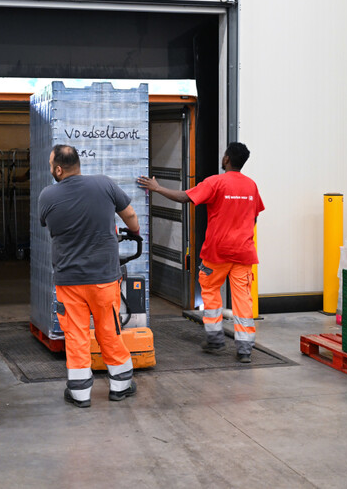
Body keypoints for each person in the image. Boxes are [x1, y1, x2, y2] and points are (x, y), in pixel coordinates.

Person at [138, 142, 264, 363]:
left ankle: (215, 340)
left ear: (226, 159)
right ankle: (245, 349)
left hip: (217, 252)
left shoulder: (216, 182)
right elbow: (254, 217)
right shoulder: (251, 186)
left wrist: (157, 188)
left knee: (210, 290)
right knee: (243, 299)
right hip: (244, 252)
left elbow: (185, 197)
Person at [39, 144, 140, 407]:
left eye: (50, 165)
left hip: (69, 281)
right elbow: (130, 214)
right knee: (110, 330)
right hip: (104, 279)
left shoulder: (47, 196)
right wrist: (134, 231)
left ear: (58, 170)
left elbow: (49, 225)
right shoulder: (104, 184)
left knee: (76, 335)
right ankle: (120, 386)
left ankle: (80, 393)